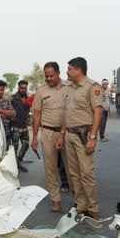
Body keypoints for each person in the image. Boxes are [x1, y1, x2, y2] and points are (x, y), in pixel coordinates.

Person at [56, 57, 103, 220]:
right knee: (73, 174)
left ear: (78, 70)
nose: (67, 72)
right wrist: (62, 135)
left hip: (84, 135)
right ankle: (80, 205)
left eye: (69, 69)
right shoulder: (69, 88)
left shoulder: (93, 87)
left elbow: (98, 112)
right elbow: (66, 113)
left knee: (87, 173)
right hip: (69, 134)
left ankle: (93, 208)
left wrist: (92, 138)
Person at [31, 62, 71, 212]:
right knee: (50, 168)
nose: (48, 78)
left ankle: (79, 203)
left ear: (58, 73)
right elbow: (37, 115)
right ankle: (56, 200)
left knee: (71, 168)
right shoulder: (41, 91)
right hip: (48, 132)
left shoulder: (69, 87)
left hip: (67, 133)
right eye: (46, 76)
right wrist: (35, 137)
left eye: (51, 75)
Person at [0, 79, 20, 170]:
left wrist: (0, 111)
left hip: (6, 132)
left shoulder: (6, 101)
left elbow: (13, 113)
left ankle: (6, 171)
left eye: (2, 90)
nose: (0, 92)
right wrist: (5, 114)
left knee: (6, 153)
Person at [11, 79, 32, 170]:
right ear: (18, 87)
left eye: (25, 88)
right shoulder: (13, 97)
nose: (23, 90)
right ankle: (16, 165)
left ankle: (18, 160)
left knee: (26, 145)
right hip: (15, 126)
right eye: (21, 88)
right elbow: (7, 106)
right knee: (15, 147)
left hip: (24, 126)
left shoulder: (28, 98)